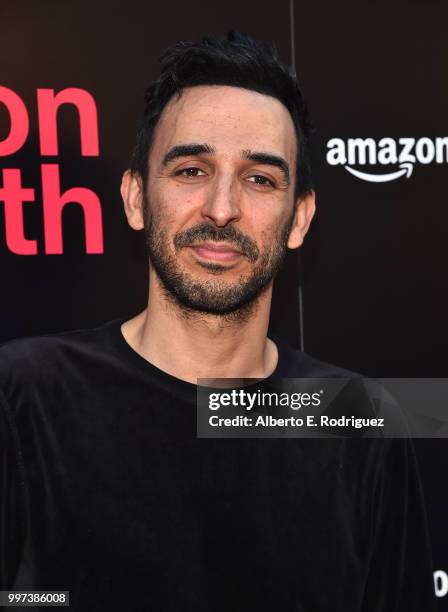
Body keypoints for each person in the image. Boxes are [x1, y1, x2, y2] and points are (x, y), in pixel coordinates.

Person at [0, 31, 436, 611]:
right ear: (135, 199)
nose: (223, 209)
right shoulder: (24, 392)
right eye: (191, 171)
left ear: (299, 218)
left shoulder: (356, 418)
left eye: (260, 179)